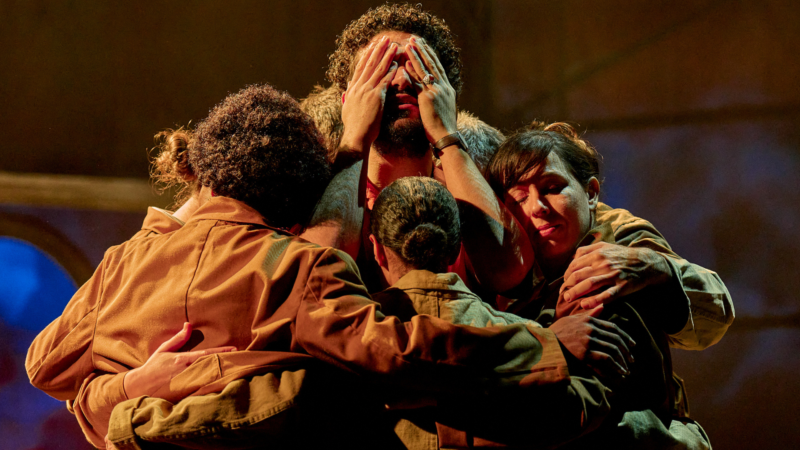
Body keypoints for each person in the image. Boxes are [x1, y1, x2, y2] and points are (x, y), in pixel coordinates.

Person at [27, 85, 627, 449]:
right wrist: (545, 346)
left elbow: (45, 365)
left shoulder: (123, 263)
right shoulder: (297, 266)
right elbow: (399, 350)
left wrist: (133, 386)